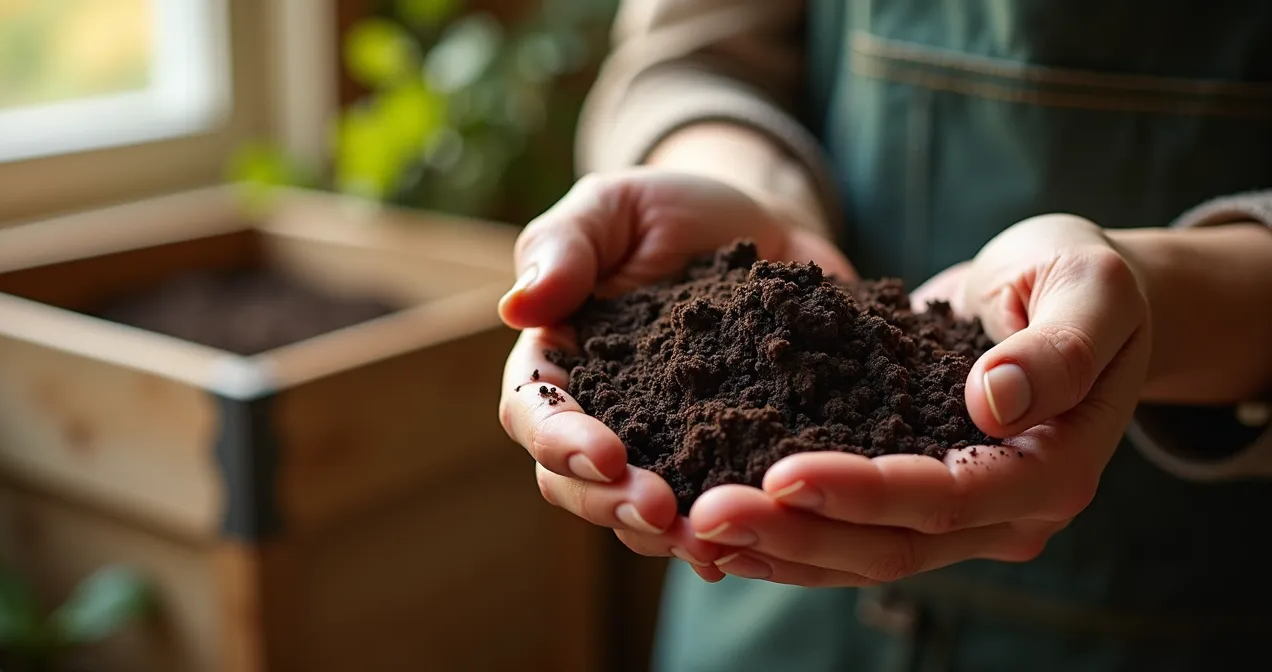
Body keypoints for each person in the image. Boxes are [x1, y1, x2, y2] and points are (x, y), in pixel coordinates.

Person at [497, 1, 1272, 669]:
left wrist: (1164, 300)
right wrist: (741, 184)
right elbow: (695, 57)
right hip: (758, 602)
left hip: (1169, 605)